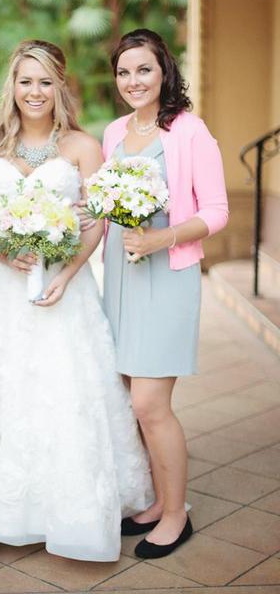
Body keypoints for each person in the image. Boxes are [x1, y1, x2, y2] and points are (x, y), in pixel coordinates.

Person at [0, 39, 153, 565]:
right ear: (13, 85)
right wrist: (2, 253)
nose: (35, 91)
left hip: (63, 294)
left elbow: (96, 223)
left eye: (45, 81)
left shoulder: (83, 147)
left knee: (62, 391)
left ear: (60, 86)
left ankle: (68, 512)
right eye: (26, 80)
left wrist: (66, 274)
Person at [101, 28, 228, 559]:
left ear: (164, 72)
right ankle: (156, 501)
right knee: (130, 400)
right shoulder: (113, 132)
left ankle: (177, 515)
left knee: (151, 404)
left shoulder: (190, 132)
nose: (133, 80)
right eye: (124, 71)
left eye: (144, 69)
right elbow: (103, 207)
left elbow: (217, 211)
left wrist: (163, 237)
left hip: (167, 274)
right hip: (120, 275)